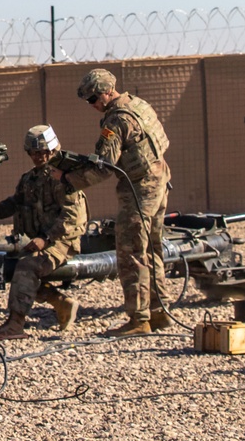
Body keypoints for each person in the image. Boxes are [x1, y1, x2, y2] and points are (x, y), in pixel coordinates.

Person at [65, 67, 172, 337]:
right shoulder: (139, 105)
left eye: (92, 100)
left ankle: (139, 319)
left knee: (131, 253)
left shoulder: (115, 121)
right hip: (159, 180)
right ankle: (160, 312)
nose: (92, 106)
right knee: (153, 249)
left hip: (139, 190)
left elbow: (103, 167)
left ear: (104, 94)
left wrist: (69, 180)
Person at [0, 124, 88, 340]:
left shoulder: (64, 179)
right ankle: (61, 304)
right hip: (42, 241)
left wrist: (46, 238)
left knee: (27, 266)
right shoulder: (30, 179)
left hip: (61, 242)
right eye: (34, 152)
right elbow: (15, 203)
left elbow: (72, 217)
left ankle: (15, 324)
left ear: (53, 150)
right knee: (16, 267)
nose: (39, 157)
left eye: (44, 152)